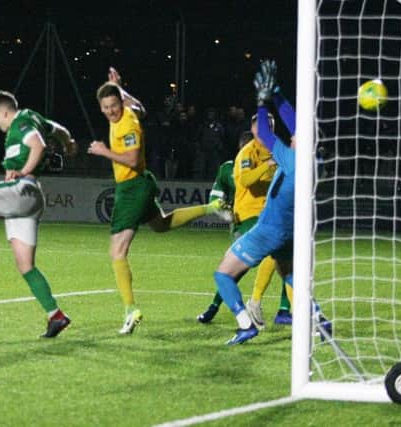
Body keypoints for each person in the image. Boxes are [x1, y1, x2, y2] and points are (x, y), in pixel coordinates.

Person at [88, 67, 230, 335]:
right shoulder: (127, 111)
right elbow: (139, 107)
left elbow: (130, 158)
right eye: (106, 107)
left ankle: (131, 310)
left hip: (132, 187)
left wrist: (104, 151)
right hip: (138, 185)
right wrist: (119, 88)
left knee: (117, 252)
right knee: (161, 225)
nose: (110, 111)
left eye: (114, 106)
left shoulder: (127, 123)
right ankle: (211, 207)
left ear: (119, 104)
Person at [213, 60, 329, 345]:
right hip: (290, 232)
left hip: (269, 230)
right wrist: (276, 93)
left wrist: (262, 103)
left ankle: (244, 324)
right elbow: (295, 123)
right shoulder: (314, 161)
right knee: (290, 277)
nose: (293, 133)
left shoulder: (292, 160)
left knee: (223, 275)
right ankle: (320, 320)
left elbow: (264, 133)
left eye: (297, 136)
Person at [0, 90, 77, 338]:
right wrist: (69, 143)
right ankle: (56, 316)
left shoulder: (20, 124)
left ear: (4, 111)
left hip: (23, 189)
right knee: (26, 266)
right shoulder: (33, 118)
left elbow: (38, 145)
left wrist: (24, 171)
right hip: (30, 199)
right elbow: (59, 129)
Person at [197, 121, 292, 327]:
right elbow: (236, 186)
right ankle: (227, 306)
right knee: (235, 271)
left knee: (288, 259)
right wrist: (223, 212)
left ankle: (284, 310)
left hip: (269, 217)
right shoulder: (231, 166)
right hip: (246, 219)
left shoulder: (277, 154)